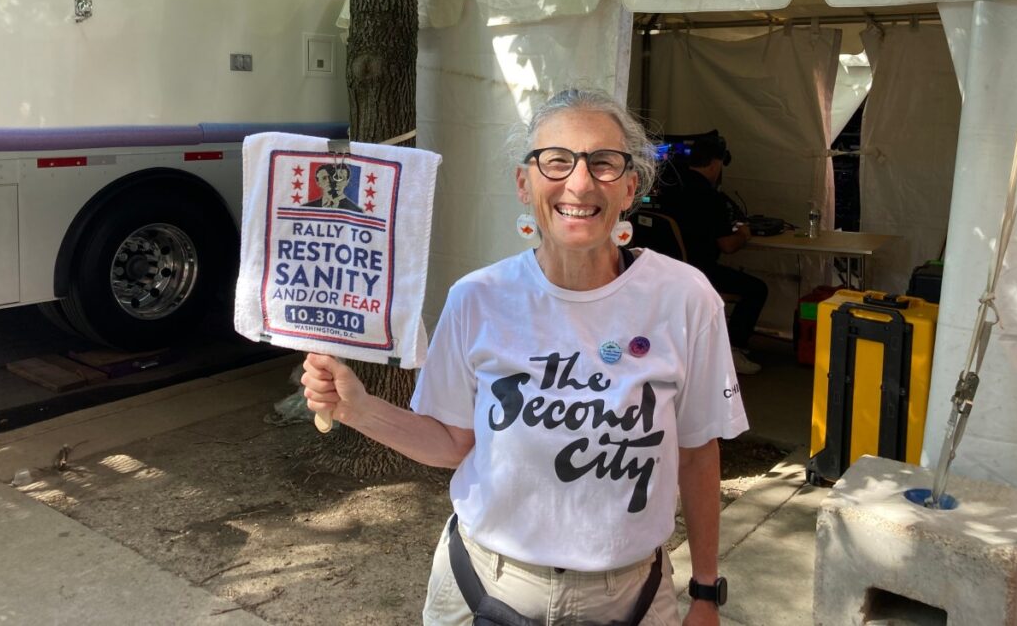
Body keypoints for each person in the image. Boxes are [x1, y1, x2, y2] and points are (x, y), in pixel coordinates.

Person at [302, 89, 748, 626]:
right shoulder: (478, 298)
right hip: (484, 588)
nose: (580, 183)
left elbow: (698, 453)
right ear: (524, 183)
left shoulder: (684, 298)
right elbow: (451, 444)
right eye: (556, 161)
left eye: (604, 163)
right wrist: (358, 409)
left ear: (630, 188)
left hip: (629, 597)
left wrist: (704, 592)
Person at [663, 132, 768, 376]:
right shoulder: (710, 197)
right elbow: (728, 246)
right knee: (757, 289)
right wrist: (744, 233)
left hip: (667, 272)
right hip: (700, 273)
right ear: (715, 163)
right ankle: (734, 348)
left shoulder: (668, 189)